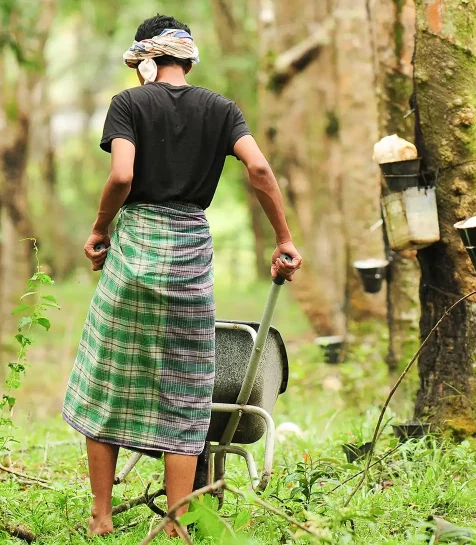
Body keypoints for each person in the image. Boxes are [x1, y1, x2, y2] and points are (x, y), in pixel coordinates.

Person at [61, 14, 302, 538]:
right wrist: (283, 238)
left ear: (145, 62)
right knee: (186, 390)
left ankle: (101, 518)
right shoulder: (221, 109)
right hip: (190, 254)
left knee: (104, 378)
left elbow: (122, 175)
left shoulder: (128, 104)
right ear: (188, 60)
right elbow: (259, 170)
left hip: (134, 253)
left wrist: (100, 230)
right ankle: (177, 523)